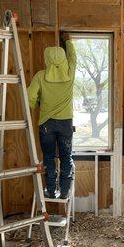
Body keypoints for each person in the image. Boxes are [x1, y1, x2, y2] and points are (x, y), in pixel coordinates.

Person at [27, 36, 76, 199]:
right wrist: (68, 41)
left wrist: (36, 104)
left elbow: (30, 97)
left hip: (46, 124)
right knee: (66, 157)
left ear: (46, 58)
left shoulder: (40, 76)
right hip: (66, 124)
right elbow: (73, 57)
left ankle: (50, 190)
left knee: (48, 157)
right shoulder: (70, 72)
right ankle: (64, 191)